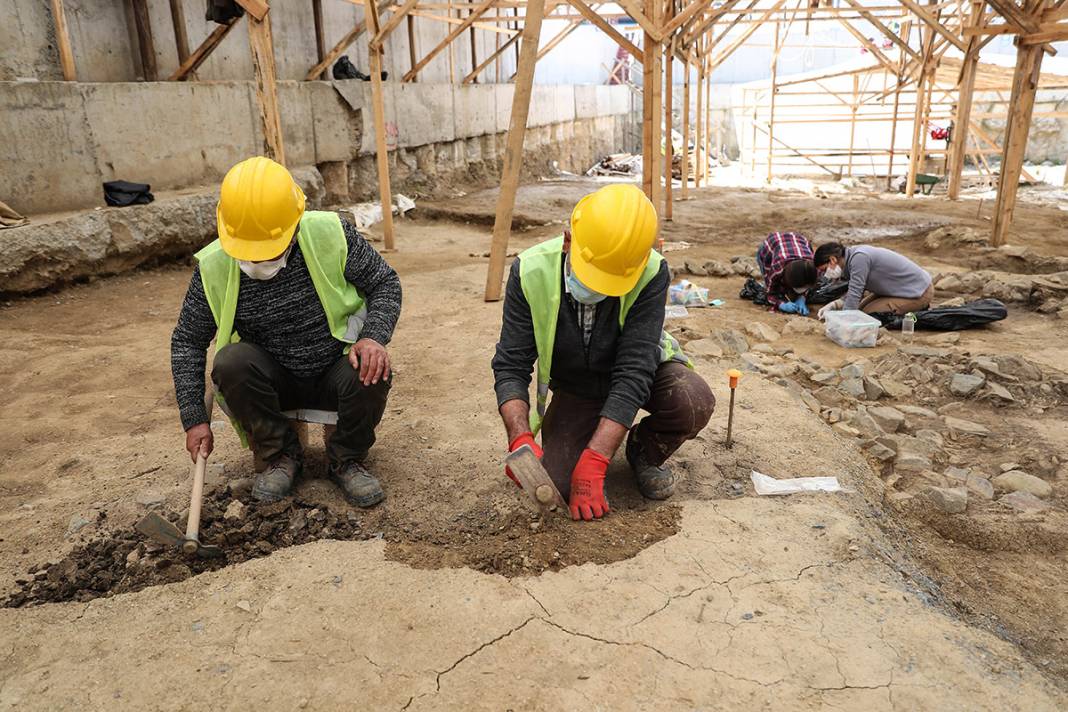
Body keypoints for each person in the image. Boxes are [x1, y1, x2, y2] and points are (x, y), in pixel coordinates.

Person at [170, 156, 402, 506]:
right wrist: (194, 419)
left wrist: (373, 336)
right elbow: (187, 341)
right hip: (270, 385)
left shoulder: (331, 234)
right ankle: (280, 456)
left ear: (294, 225)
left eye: (268, 249)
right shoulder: (214, 266)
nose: (260, 261)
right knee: (231, 361)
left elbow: (385, 283)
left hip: (335, 367)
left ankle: (346, 459)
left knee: (372, 366)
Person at [491, 184, 715, 522]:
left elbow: (635, 369)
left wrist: (596, 458)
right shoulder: (529, 272)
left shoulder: (651, 271)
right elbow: (511, 364)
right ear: (568, 240)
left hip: (641, 370)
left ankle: (644, 449)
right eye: (593, 276)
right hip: (578, 386)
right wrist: (519, 437)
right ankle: (585, 436)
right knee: (557, 483)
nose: (598, 290)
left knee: (691, 400)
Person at [813, 242, 932, 319]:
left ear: (832, 260)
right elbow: (855, 290)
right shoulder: (851, 259)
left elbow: (856, 292)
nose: (826, 274)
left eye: (825, 270)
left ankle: (918, 307)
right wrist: (834, 305)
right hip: (899, 290)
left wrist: (843, 323)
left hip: (919, 292)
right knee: (859, 310)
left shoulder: (859, 258)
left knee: (869, 316)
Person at [756, 231, 817, 315]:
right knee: (775, 286)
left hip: (799, 241)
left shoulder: (813, 267)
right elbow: (770, 294)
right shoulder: (777, 269)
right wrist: (781, 304)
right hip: (770, 245)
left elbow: (809, 282)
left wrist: (802, 297)